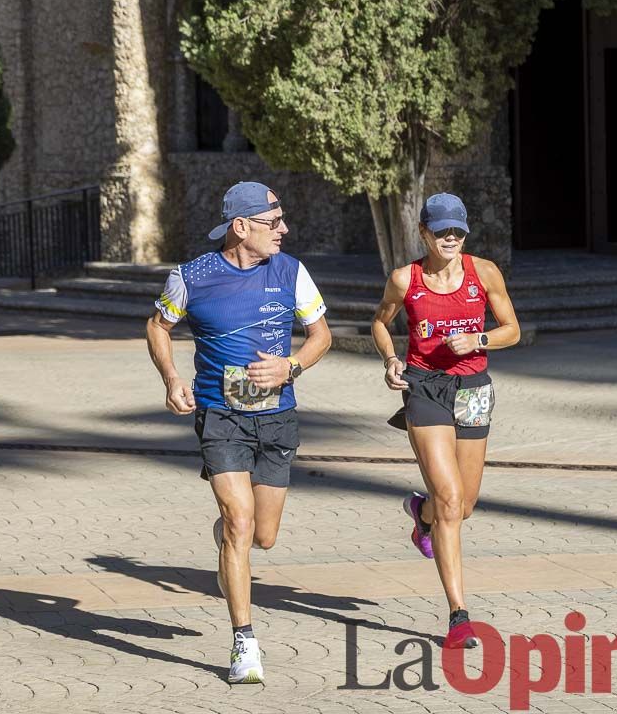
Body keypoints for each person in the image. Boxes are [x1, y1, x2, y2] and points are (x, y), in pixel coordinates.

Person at [145, 181, 331, 683]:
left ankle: (230, 537)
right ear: (241, 227)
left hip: (277, 415)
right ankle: (244, 641)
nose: (284, 230)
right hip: (219, 414)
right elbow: (158, 327)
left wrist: (290, 366)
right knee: (241, 523)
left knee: (264, 536)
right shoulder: (191, 276)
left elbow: (322, 336)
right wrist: (172, 379)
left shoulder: (291, 271)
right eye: (274, 223)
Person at [371, 192, 520, 649]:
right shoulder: (405, 279)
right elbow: (379, 323)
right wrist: (391, 360)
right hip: (425, 389)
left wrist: (478, 338)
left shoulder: (484, 272)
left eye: (458, 231)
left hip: (473, 390)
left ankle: (422, 514)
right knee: (451, 498)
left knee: (463, 505)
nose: (451, 238)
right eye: (442, 231)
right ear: (424, 233)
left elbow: (512, 329)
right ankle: (459, 617)